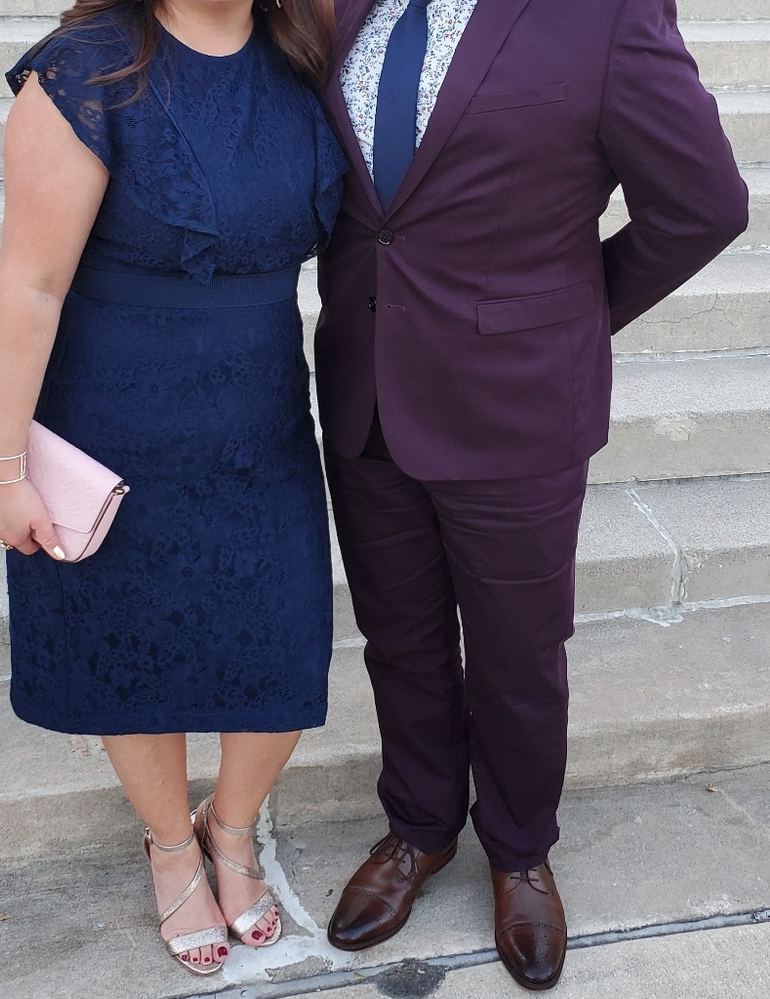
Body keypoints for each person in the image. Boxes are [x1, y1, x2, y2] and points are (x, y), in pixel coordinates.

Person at [315, 0, 748, 990]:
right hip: (365, 388)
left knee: (517, 650)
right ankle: (417, 830)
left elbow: (706, 205)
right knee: (402, 637)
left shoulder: (603, 16)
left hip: (517, 404)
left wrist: (569, 314)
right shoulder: (339, 12)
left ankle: (518, 850)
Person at [0, 0, 346, 977]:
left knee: (280, 649)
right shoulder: (82, 72)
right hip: (115, 414)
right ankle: (171, 847)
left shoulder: (303, 52)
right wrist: (0, 468)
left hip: (260, 412)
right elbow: (30, 287)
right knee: (132, 646)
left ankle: (231, 828)